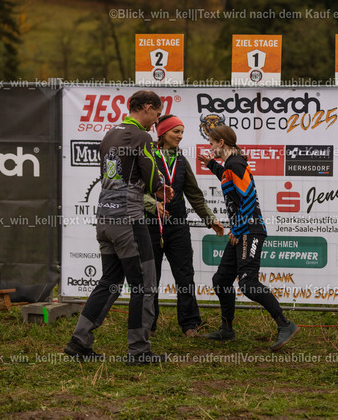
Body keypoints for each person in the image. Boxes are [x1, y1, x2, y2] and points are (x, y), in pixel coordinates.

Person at [64, 90, 174, 365]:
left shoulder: (110, 134)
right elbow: (152, 180)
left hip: (105, 218)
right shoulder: (141, 137)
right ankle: (139, 351)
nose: (156, 121)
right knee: (144, 285)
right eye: (157, 114)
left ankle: (79, 341)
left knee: (110, 282)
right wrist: (162, 189)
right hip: (128, 220)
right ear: (147, 107)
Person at [197, 125, 299, 351]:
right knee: (221, 280)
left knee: (248, 283)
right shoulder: (230, 165)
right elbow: (228, 179)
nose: (210, 147)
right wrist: (211, 164)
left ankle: (285, 324)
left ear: (221, 143)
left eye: (212, 144)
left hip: (250, 230)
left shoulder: (236, 163)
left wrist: (238, 228)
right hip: (242, 231)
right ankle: (227, 330)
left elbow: (249, 197)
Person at [144, 114, 224, 337]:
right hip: (150, 225)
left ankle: (190, 324)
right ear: (162, 133)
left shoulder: (180, 160)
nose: (180, 136)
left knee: (185, 274)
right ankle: (148, 325)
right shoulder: (147, 156)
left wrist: (210, 219)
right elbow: (135, 190)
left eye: (182, 132)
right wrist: (153, 205)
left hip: (177, 225)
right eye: (176, 131)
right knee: (150, 277)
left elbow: (194, 194)